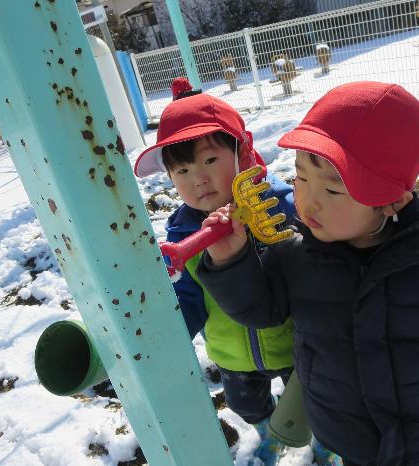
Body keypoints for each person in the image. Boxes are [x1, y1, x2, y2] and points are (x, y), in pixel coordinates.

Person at [196, 82, 419, 466]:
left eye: (333, 190)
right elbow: (258, 310)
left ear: (391, 201)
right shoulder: (295, 254)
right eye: (302, 178)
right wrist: (230, 261)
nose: (308, 199)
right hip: (350, 436)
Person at [134, 88, 341, 465]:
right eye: (182, 170)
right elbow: (190, 300)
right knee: (247, 404)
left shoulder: (279, 207)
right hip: (233, 356)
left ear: (241, 153)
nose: (199, 179)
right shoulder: (185, 237)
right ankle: (266, 432)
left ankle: (326, 445)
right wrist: (170, 337)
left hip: (295, 343)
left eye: (210, 159)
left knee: (315, 400)